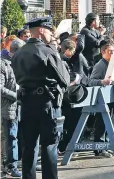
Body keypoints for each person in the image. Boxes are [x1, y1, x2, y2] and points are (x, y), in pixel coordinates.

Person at [11, 17, 70, 179]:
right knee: (49, 146)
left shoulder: (18, 53)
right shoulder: (48, 51)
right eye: (50, 31)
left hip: (26, 104)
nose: (52, 34)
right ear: (42, 31)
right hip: (46, 104)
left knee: (29, 147)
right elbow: (65, 79)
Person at [1, 58, 22, 177]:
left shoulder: (13, 63)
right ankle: (10, 166)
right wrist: (16, 95)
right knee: (11, 137)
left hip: (16, 106)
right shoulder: (3, 65)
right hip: (8, 107)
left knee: (15, 137)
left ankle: (14, 163)